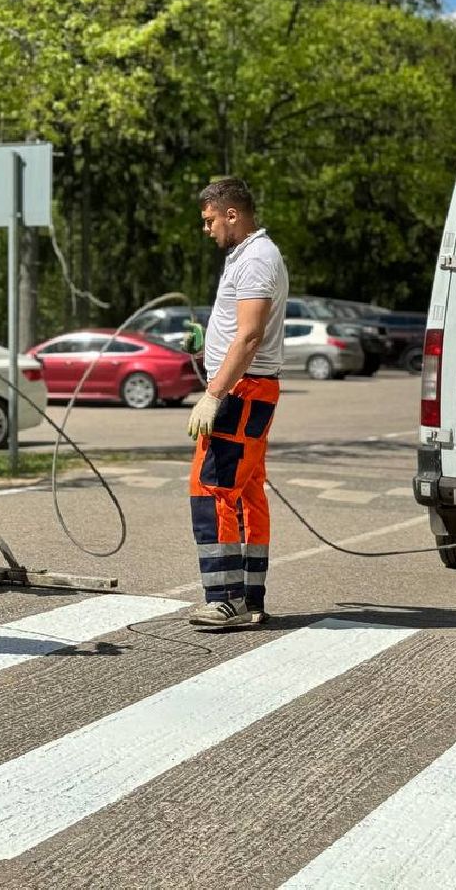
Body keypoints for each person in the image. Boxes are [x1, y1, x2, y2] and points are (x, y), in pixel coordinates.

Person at [184, 177, 288, 628]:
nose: (206, 229)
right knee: (246, 493)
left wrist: (213, 394)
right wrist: (207, 344)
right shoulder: (246, 256)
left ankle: (226, 598)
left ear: (232, 213)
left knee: (212, 489)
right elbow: (236, 329)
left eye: (210, 220)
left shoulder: (258, 259)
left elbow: (249, 336)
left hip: (242, 392)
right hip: (248, 389)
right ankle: (251, 596)